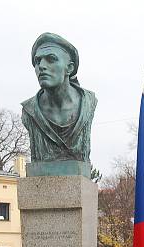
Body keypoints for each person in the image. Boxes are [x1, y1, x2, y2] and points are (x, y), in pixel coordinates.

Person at [21, 32, 97, 163]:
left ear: (69, 68)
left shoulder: (88, 103)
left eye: (51, 59)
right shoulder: (30, 111)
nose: (42, 66)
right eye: (37, 61)